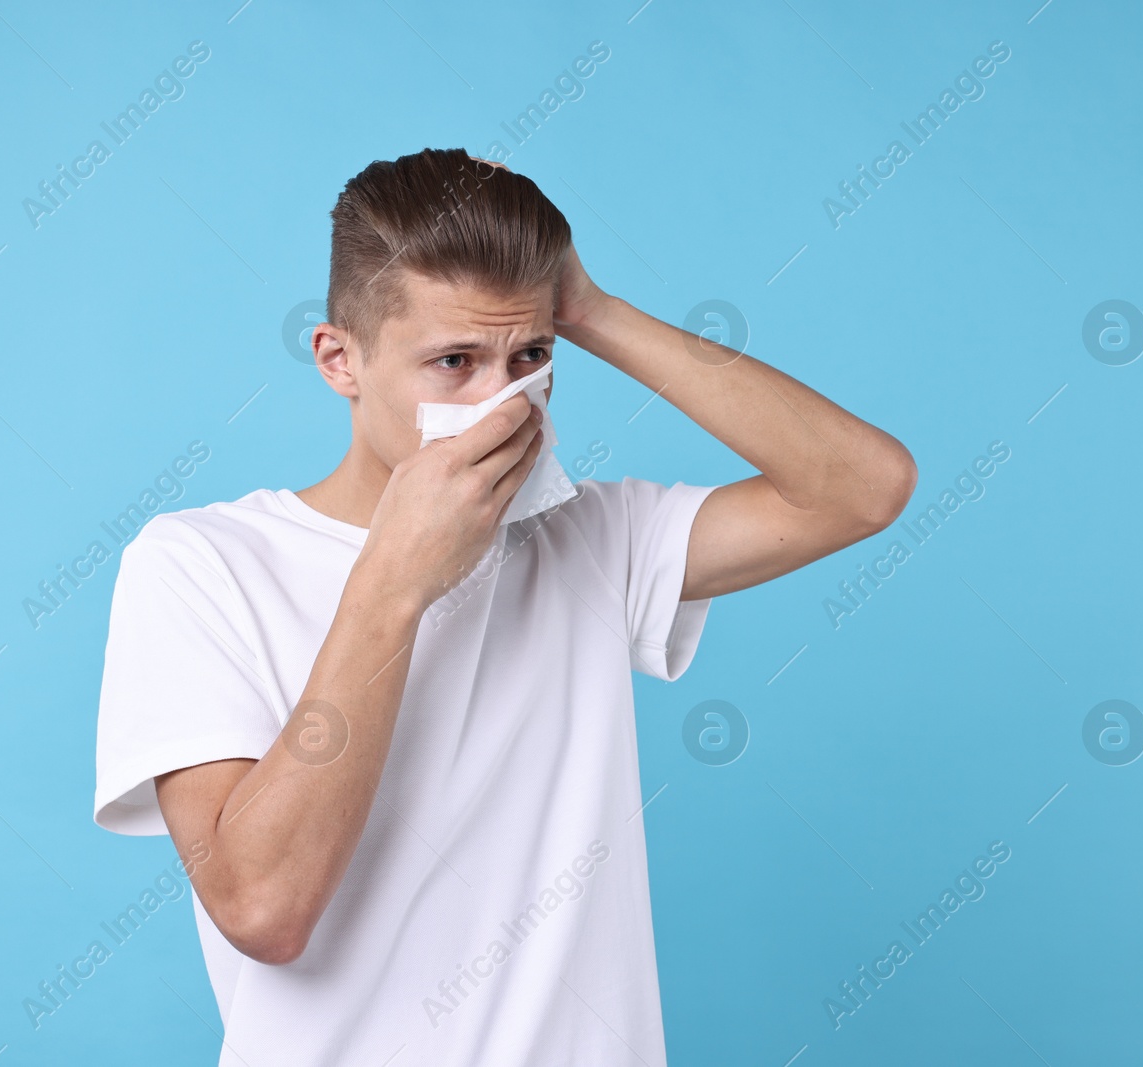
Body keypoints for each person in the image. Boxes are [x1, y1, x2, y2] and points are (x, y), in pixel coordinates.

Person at [92, 147, 916, 1066]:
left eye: (529, 356)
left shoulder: (589, 536)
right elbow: (263, 909)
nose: (502, 403)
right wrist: (394, 581)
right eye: (454, 360)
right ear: (340, 359)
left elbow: (864, 487)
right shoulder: (201, 565)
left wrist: (593, 310)